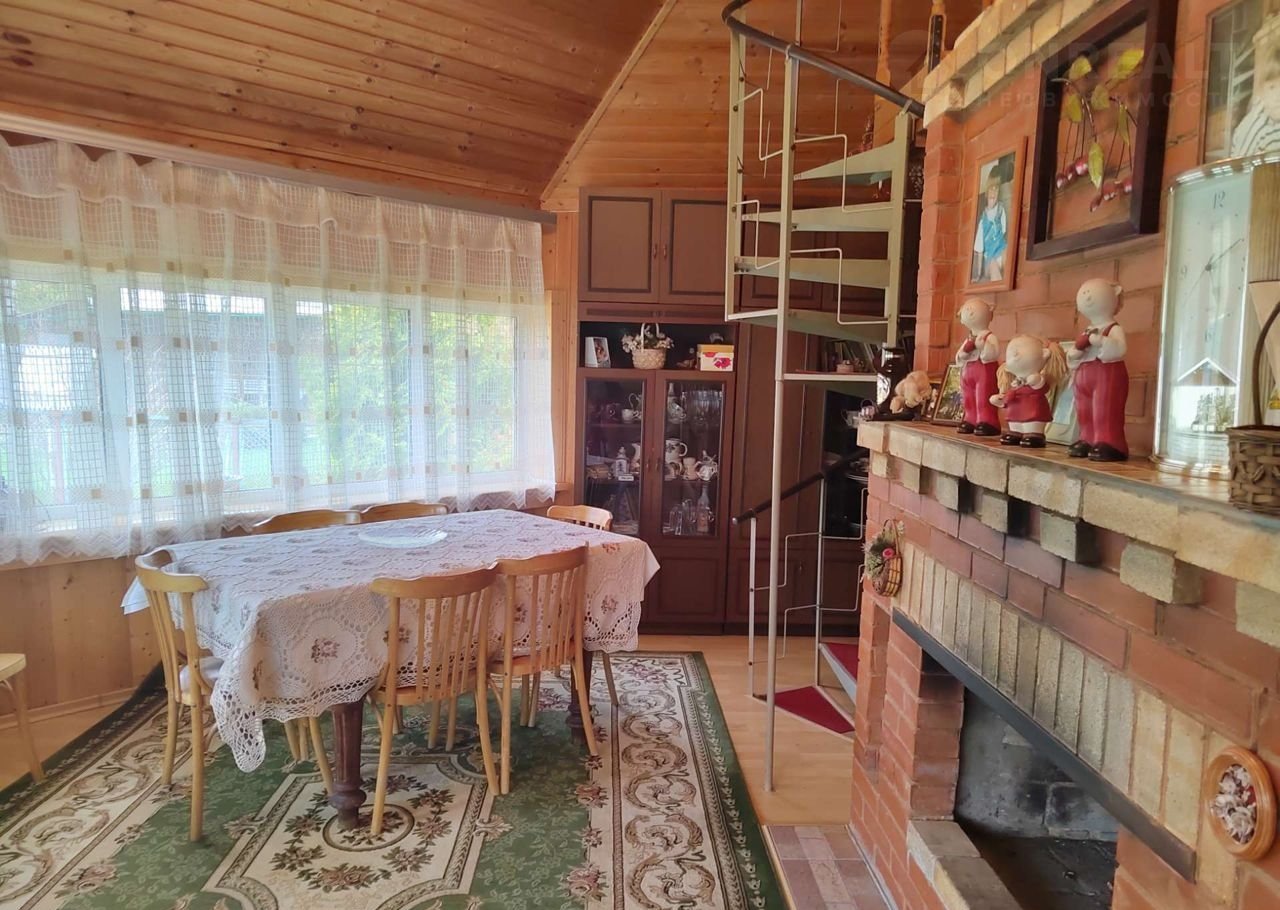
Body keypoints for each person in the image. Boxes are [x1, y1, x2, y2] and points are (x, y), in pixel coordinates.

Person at [972, 170, 1008, 282]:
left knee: (1008, 254)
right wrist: (978, 274)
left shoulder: (1001, 210)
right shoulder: (982, 222)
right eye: (991, 189)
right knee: (993, 266)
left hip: (1001, 249)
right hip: (990, 258)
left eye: (996, 189)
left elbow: (1003, 232)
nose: (994, 192)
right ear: (987, 193)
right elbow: (979, 250)